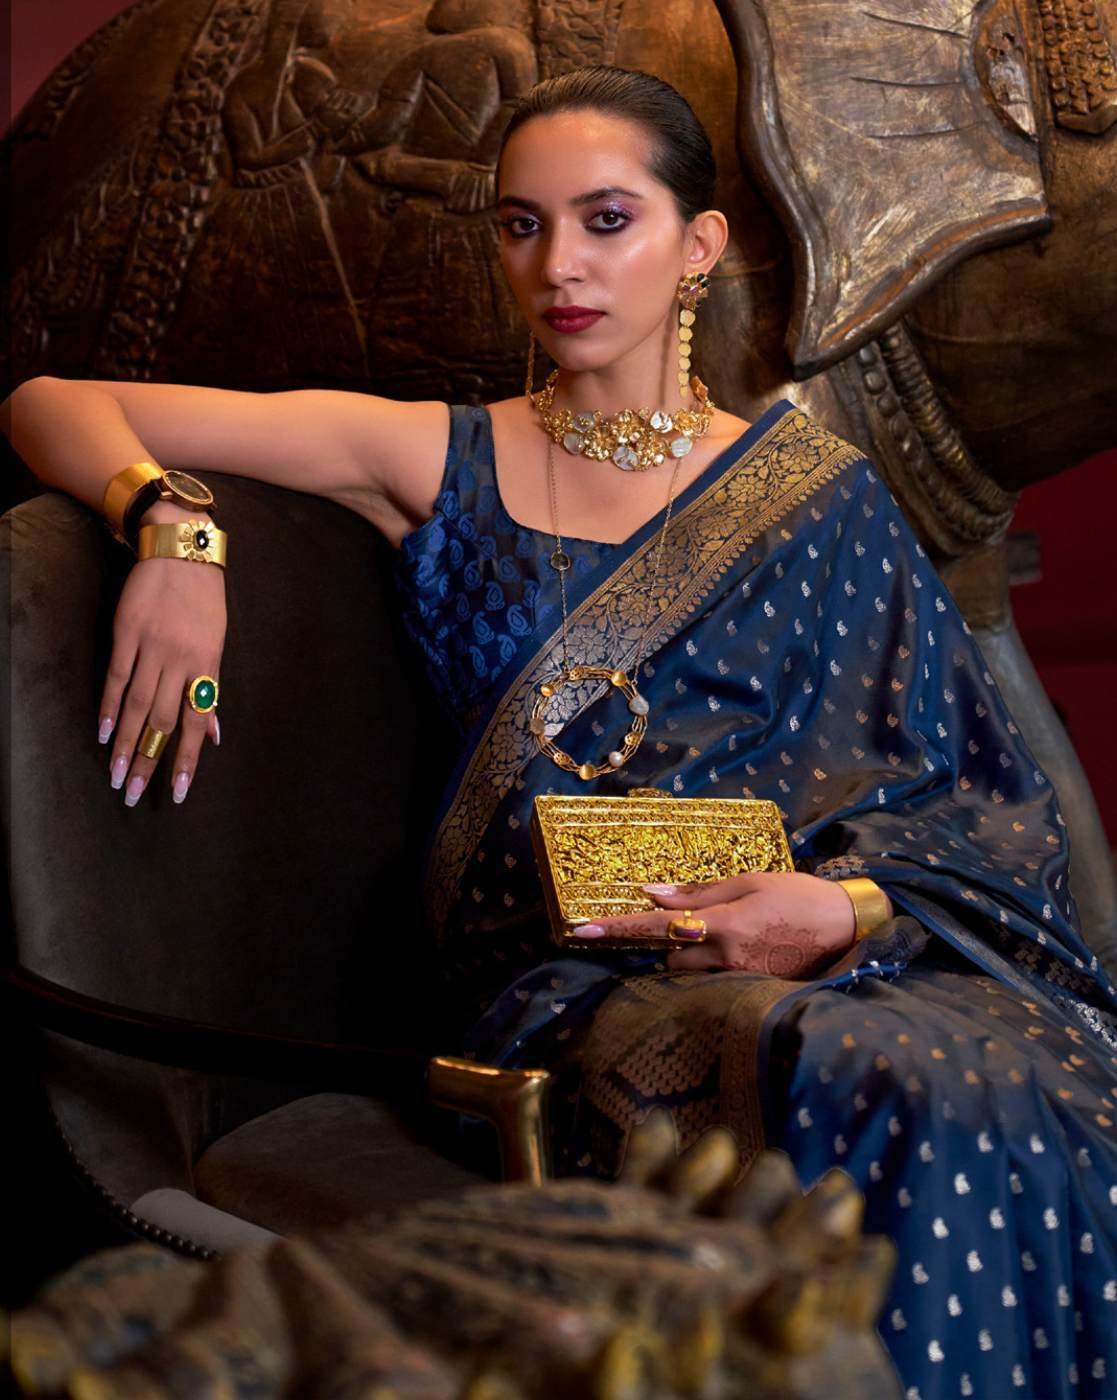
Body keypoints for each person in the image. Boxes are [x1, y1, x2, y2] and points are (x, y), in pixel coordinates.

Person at [3, 63, 1115, 1400]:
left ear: (696, 246)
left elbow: (974, 800)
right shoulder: (438, 458)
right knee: (877, 1075)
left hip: (840, 955)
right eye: (521, 225)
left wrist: (841, 912)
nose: (557, 266)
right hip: (583, 992)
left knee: (1017, 1079)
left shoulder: (823, 501)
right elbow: (49, 399)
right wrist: (172, 529)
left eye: (606, 220)